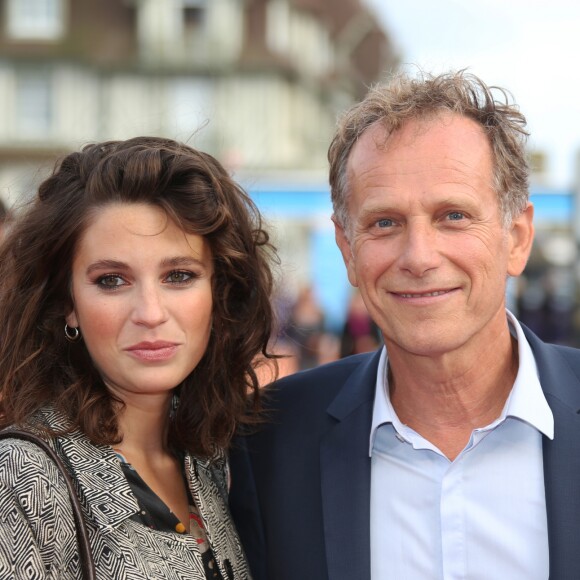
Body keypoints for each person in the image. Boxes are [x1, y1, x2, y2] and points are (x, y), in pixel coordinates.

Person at [229, 70, 580, 580]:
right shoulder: (271, 441)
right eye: (384, 223)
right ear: (347, 249)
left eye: (453, 216)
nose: (418, 257)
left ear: (518, 237)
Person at [0, 136, 276, 578]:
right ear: (67, 302)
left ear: (218, 294)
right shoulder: (23, 477)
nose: (150, 313)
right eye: (111, 280)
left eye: (179, 275)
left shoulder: (215, 459)